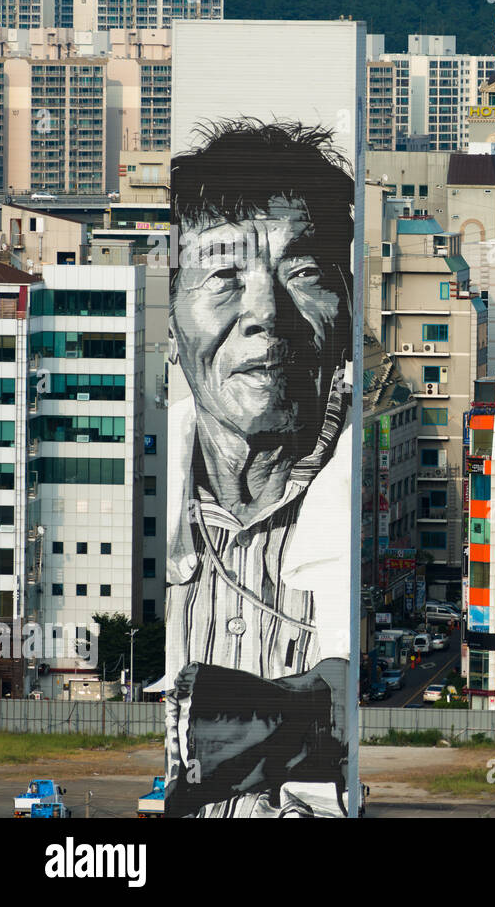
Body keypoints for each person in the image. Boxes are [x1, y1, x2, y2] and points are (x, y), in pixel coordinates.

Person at [160, 119, 356, 818]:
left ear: (348, 301)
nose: (264, 314)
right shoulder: (156, 509)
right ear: (172, 312)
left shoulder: (358, 511)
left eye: (301, 273)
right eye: (222, 276)